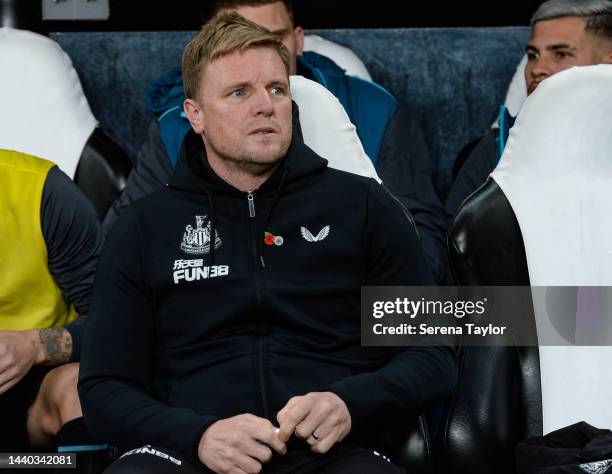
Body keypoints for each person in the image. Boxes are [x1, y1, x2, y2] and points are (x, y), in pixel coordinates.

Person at [79, 13, 457, 474]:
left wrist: (349, 403)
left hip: (332, 454)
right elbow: (103, 389)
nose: (265, 105)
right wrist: (195, 435)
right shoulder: (143, 228)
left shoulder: (363, 208)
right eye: (239, 92)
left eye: (277, 89)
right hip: (188, 454)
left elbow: (433, 354)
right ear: (194, 114)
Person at [102, 0, 449, 284]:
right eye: (236, 44)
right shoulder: (173, 128)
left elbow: (427, 259)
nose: (257, 57)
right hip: (214, 328)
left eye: (273, 39)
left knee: (490, 318)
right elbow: (117, 265)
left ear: (298, 39)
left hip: (349, 328)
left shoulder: (376, 111)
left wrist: (350, 317)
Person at [445, 0, 612, 220]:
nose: (537, 68)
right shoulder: (497, 148)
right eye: (533, 55)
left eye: (560, 54)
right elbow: (456, 244)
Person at [0, 149, 106, 466]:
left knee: (81, 390)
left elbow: (118, 323)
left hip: (31, 386)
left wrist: (33, 347)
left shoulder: (40, 189)